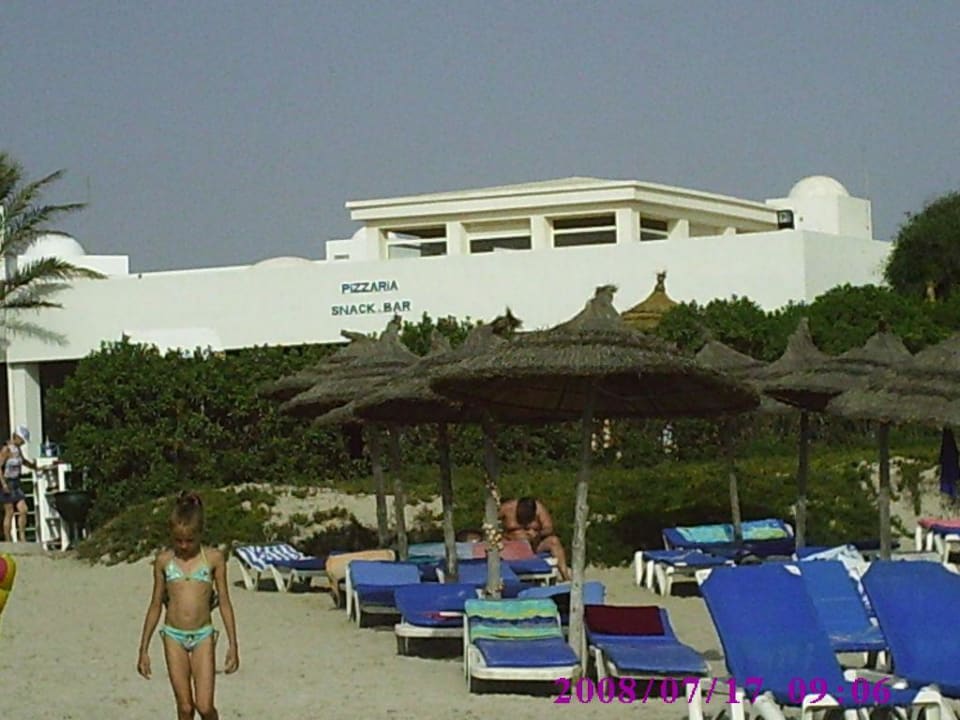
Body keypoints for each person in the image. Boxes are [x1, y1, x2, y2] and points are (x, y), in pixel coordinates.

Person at [138, 492, 239, 720]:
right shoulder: (164, 561)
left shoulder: (213, 559)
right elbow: (155, 604)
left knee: (204, 706)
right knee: (185, 707)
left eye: (189, 540)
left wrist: (233, 644)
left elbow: (224, 601)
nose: (183, 546)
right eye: (178, 540)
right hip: (173, 635)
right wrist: (143, 648)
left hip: (203, 634)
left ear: (200, 534)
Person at [499, 496, 571, 581]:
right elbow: (489, 523)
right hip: (512, 546)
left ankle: (566, 577)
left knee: (554, 541)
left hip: (533, 546)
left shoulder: (539, 509)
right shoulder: (507, 508)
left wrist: (538, 534)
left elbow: (549, 528)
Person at [0, 426, 39, 542]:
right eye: (22, 440)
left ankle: (22, 537)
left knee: (23, 509)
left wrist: (35, 467)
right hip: (7, 482)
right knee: (9, 511)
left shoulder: (17, 450)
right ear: (17, 437)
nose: (23, 443)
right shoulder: (6, 450)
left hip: (16, 482)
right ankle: (8, 539)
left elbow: (23, 461)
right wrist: (3, 485)